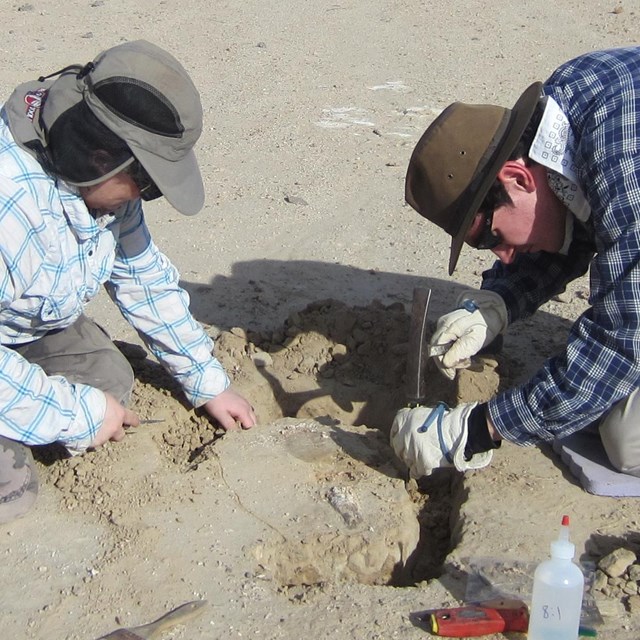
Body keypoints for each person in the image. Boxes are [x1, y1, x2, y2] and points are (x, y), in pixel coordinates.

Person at [0, 40, 257, 524]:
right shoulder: (9, 206)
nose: (144, 194)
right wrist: (74, 416)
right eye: (146, 180)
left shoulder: (106, 189)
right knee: (12, 487)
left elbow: (143, 278)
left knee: (109, 380)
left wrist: (207, 383)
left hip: (16, 324)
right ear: (99, 155)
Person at [391, 46, 640, 481]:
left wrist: (483, 427)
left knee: (626, 436)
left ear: (518, 176)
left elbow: (624, 336)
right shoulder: (567, 113)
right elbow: (575, 216)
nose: (502, 255)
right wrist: (499, 300)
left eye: (493, 237)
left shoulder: (620, 157)